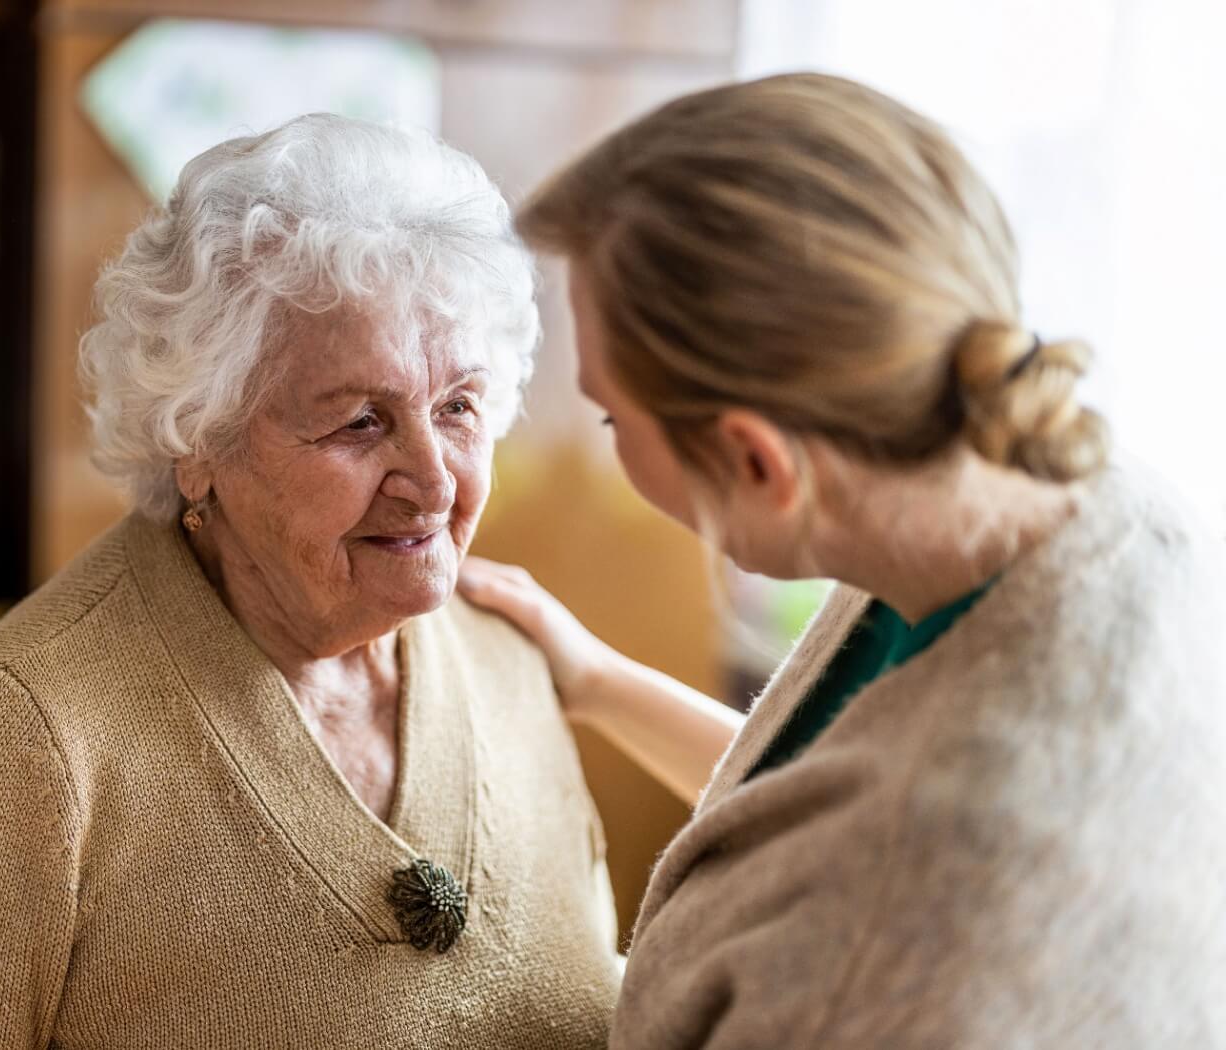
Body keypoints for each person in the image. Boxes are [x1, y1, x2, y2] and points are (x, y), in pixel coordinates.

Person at [0, 114, 621, 1049]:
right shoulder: (22, 742)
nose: (435, 481)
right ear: (198, 442)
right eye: (361, 421)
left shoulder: (512, 664)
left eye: (458, 407)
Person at [460, 73, 1226, 1047]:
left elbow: (868, 869)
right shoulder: (1075, 497)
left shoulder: (903, 937)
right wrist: (598, 682)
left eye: (611, 414)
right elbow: (819, 804)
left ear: (754, 460)